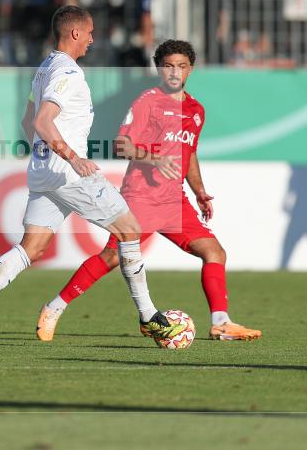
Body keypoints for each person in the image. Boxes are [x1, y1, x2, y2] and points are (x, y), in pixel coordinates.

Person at [0, 5, 184, 350]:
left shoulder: (44, 68)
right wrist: (73, 158)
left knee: (32, 247)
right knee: (130, 230)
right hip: (69, 173)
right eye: (89, 32)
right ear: (74, 33)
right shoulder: (68, 73)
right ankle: (149, 317)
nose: (92, 39)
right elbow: (44, 120)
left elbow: (27, 122)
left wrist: (46, 155)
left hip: (45, 171)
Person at [35, 39, 262, 342]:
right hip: (141, 197)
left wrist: (200, 191)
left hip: (174, 201)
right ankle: (54, 307)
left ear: (190, 70)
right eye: (168, 66)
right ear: (159, 68)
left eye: (181, 66)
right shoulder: (148, 102)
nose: (174, 72)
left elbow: (189, 154)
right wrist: (154, 157)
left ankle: (221, 322)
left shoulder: (196, 110)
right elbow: (121, 144)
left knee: (214, 252)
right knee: (111, 257)